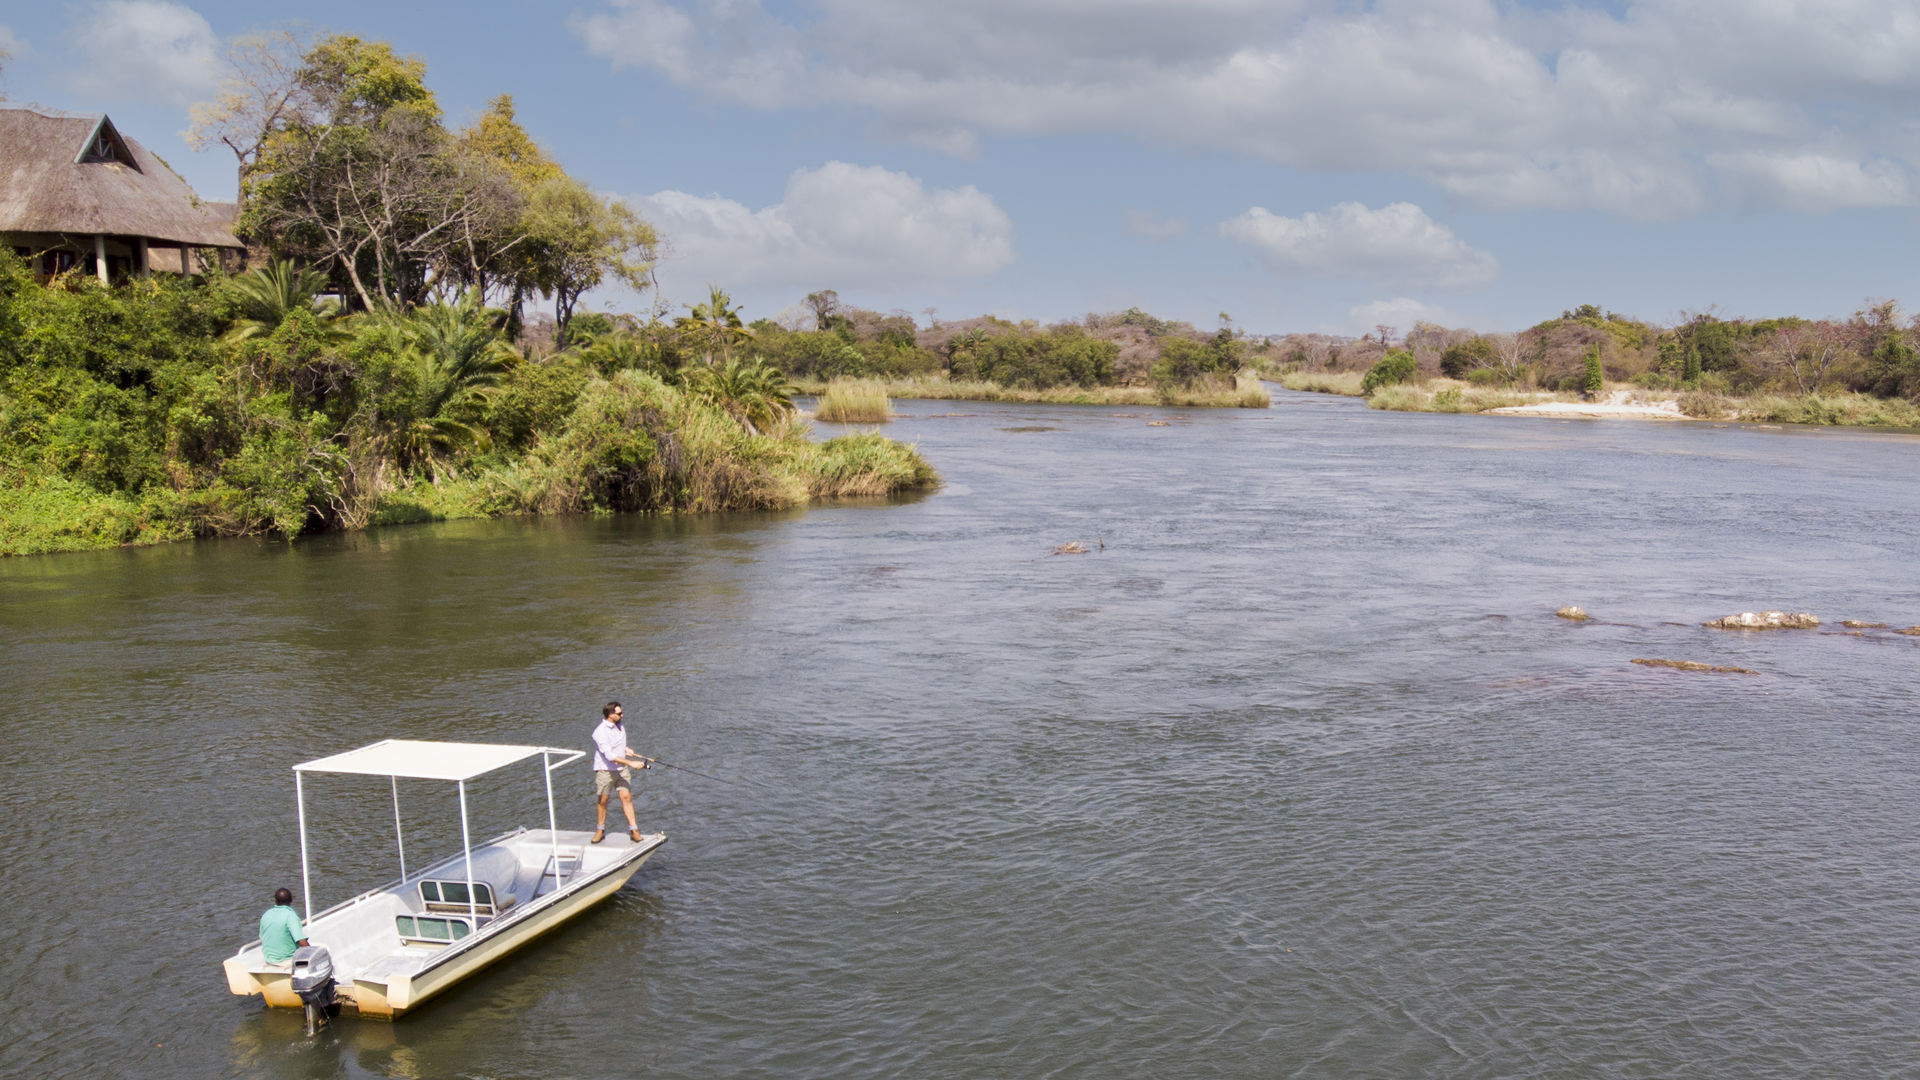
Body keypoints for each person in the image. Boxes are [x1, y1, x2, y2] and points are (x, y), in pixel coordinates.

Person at [591, 700, 650, 844]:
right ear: (610, 714)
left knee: (626, 797)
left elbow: (616, 745)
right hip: (605, 771)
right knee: (603, 800)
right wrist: (631, 763)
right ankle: (600, 830)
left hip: (621, 770)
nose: (622, 715)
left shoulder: (620, 726)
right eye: (619, 713)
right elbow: (609, 755)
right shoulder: (599, 732)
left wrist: (626, 749)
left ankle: (634, 830)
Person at [260, 887, 310, 968]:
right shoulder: (290, 916)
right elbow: (300, 941)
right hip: (286, 961)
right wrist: (312, 952)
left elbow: (262, 937)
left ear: (275, 901)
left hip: (269, 960)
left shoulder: (266, 915)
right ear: (291, 901)